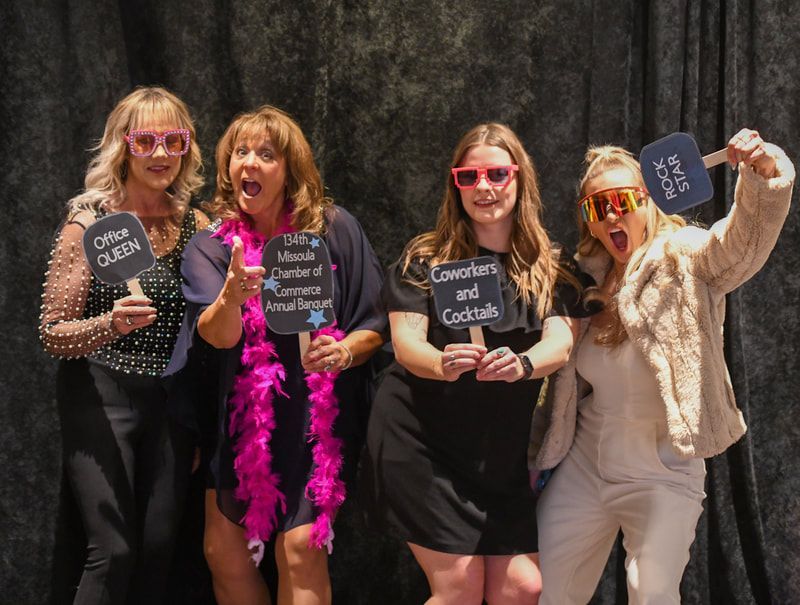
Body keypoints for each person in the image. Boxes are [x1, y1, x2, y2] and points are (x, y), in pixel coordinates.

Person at [530, 129, 795, 604]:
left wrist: (762, 170)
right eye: (597, 207)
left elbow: (741, 245)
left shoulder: (684, 256)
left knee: (651, 594)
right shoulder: (584, 280)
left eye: (622, 200)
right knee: (544, 592)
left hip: (663, 470)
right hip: (587, 462)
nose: (611, 214)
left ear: (648, 201)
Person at [361, 122, 590, 605]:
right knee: (458, 588)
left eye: (496, 174)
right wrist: (442, 362)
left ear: (519, 178)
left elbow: (560, 344)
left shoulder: (552, 266)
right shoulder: (427, 258)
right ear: (456, 185)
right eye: (469, 177)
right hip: (422, 439)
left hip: (495, 455)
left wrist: (522, 363)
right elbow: (406, 344)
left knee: (522, 587)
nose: (483, 187)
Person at [164, 105, 385, 605]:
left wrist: (343, 351)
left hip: (315, 420)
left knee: (301, 551)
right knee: (223, 553)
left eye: (266, 154)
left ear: (290, 168)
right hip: (242, 421)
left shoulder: (334, 230)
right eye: (240, 152)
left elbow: (374, 326)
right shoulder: (211, 247)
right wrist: (231, 296)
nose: (250, 162)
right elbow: (217, 336)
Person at [39, 86, 208, 604]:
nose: (161, 153)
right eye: (146, 141)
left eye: (174, 141)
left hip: (171, 403)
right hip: (101, 394)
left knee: (159, 549)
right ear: (122, 146)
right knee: (113, 551)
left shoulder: (198, 225)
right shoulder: (89, 224)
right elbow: (52, 332)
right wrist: (109, 324)